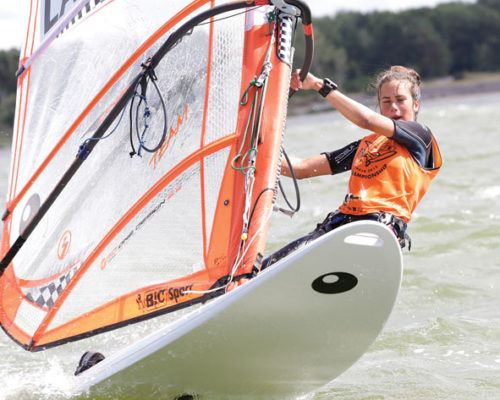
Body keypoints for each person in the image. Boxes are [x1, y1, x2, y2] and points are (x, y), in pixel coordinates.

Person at [261, 65, 442, 269]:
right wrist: (259, 152)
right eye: (386, 101)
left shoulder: (421, 137)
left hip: (379, 231)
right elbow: (302, 168)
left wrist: (320, 85)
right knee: (264, 269)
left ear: (415, 105)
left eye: (400, 100)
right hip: (339, 225)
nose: (393, 107)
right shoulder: (366, 145)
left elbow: (366, 120)